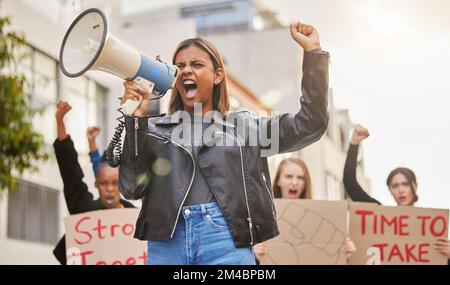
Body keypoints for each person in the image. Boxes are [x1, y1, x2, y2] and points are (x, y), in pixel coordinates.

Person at [118, 22, 329, 265]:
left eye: (197, 64)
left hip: (225, 243)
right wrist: (135, 124)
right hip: (168, 246)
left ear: (218, 75)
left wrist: (314, 55)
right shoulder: (152, 130)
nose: (187, 70)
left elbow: (310, 124)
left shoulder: (248, 129)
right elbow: (131, 188)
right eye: (180, 66)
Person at [343, 124, 450, 262]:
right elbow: (350, 183)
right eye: (395, 185)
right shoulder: (379, 216)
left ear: (414, 186)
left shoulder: (432, 227)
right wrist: (354, 144)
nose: (401, 190)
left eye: (405, 184)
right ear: (390, 190)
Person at [52, 100, 135, 265]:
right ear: (97, 184)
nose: (110, 189)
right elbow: (71, 175)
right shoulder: (85, 211)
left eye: (115, 183)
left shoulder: (134, 219)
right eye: (104, 184)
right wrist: (60, 122)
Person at [253, 158, 356, 263]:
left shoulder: (316, 218)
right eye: (289, 176)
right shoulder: (262, 215)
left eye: (300, 178)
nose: (294, 182)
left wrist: (345, 254)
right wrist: (255, 255)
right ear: (278, 180)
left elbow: (332, 253)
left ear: (305, 183)